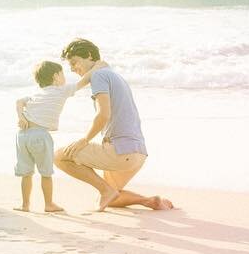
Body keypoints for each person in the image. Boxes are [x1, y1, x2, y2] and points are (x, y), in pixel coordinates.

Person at [54, 38, 173, 212]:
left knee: (58, 156)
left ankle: (106, 190)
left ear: (88, 55)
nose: (72, 68)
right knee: (110, 198)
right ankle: (149, 201)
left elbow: (103, 114)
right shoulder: (113, 75)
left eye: (74, 62)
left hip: (119, 151)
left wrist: (85, 140)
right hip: (138, 154)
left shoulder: (99, 76)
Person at [13, 60, 90, 212]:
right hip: (40, 135)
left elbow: (19, 101)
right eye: (62, 74)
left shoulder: (37, 92)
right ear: (56, 76)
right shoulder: (61, 90)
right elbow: (83, 82)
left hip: (22, 135)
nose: (64, 77)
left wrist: (21, 117)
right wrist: (97, 68)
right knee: (46, 173)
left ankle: (25, 205)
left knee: (26, 173)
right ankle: (48, 204)